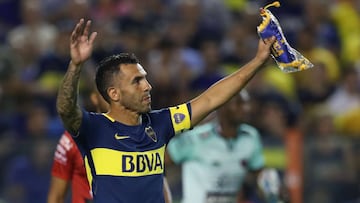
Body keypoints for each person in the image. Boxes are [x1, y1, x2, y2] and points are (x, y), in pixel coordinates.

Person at [56, 18, 275, 202]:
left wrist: (257, 61)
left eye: (145, 79)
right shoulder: (95, 129)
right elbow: (66, 109)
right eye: (137, 81)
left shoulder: (161, 123)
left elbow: (210, 100)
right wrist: (75, 66)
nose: (147, 86)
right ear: (114, 94)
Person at [48, 69, 173, 203]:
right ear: (95, 98)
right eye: (105, 94)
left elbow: (161, 184)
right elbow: (57, 196)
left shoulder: (143, 134)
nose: (113, 97)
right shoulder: (70, 140)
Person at [166, 91, 281, 203]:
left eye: (247, 103)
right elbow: (160, 162)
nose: (246, 109)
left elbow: (258, 172)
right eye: (239, 104)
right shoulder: (195, 139)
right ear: (222, 106)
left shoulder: (250, 137)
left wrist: (270, 188)